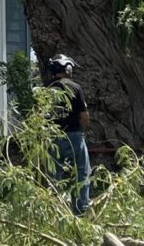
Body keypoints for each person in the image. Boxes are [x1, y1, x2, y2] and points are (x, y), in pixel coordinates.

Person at [46, 53, 91, 215]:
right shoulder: (75, 87)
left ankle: (54, 210)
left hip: (51, 138)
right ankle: (81, 210)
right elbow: (84, 116)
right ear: (68, 68)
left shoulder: (44, 88)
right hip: (73, 136)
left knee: (53, 175)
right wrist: (83, 130)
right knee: (81, 173)